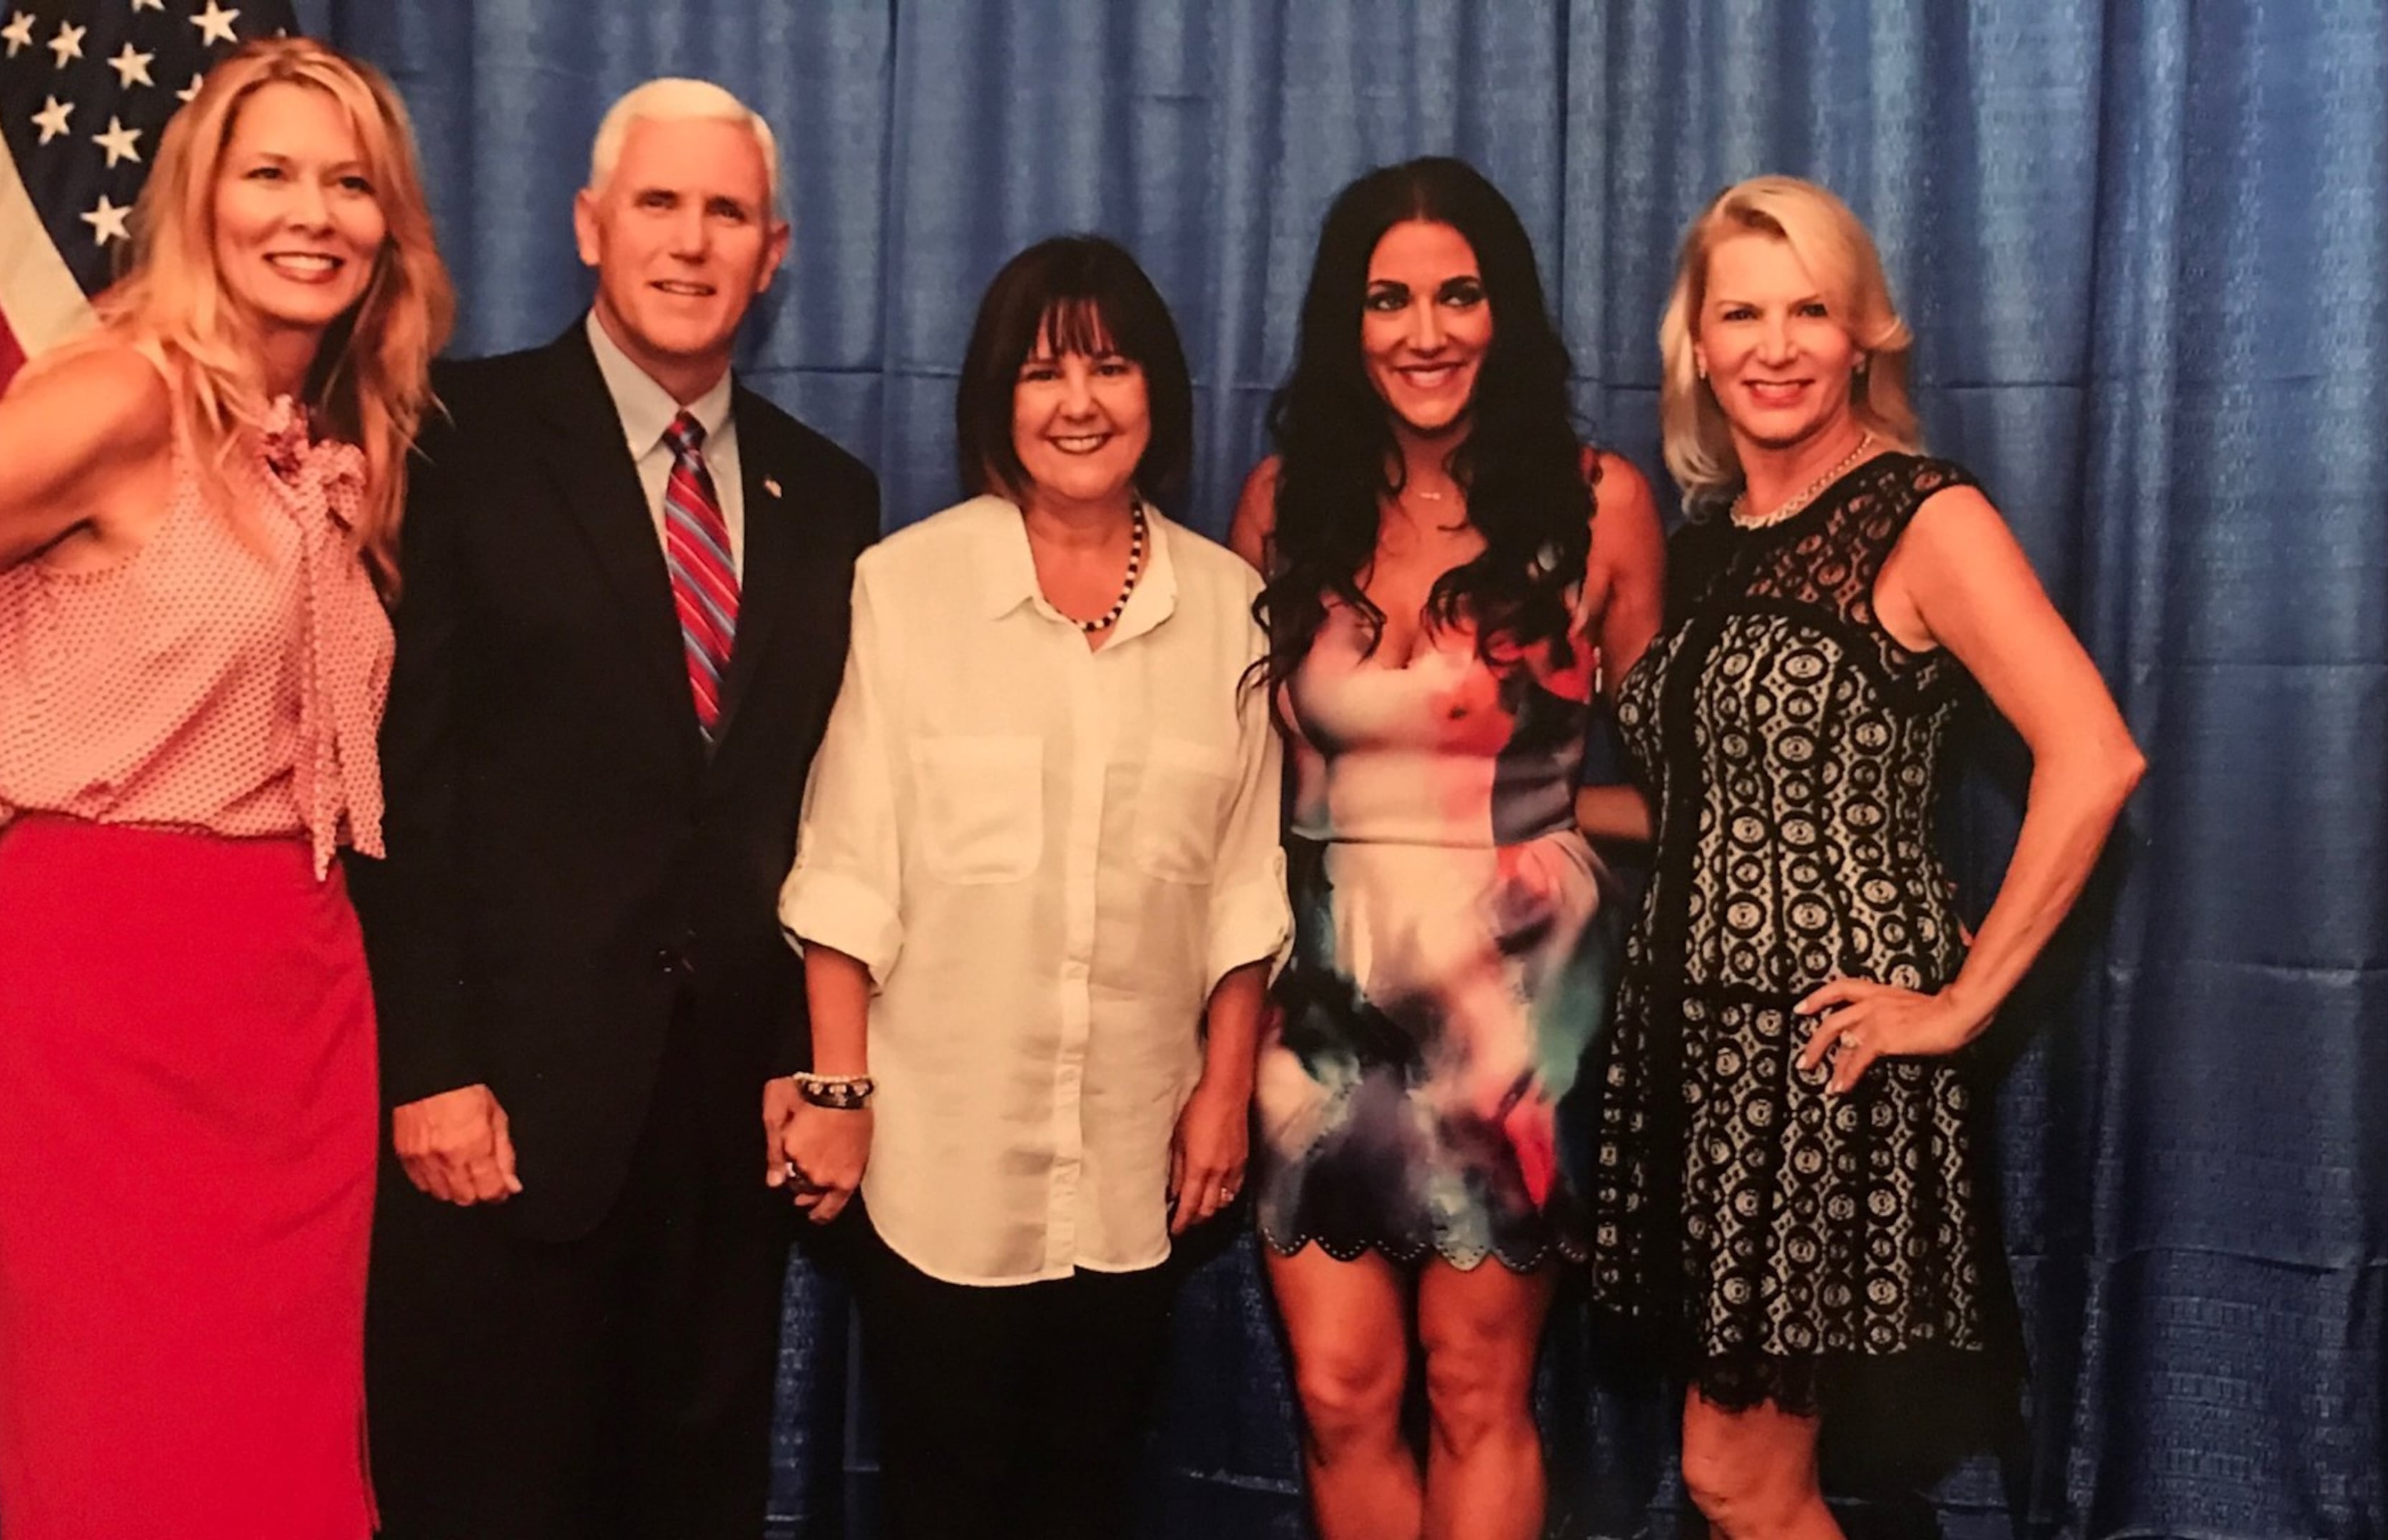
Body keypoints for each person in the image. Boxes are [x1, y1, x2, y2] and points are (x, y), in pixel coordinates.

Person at [0, 38, 449, 1538]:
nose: (311, 212)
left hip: (296, 982)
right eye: (270, 174)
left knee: (288, 1460)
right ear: (198, 200)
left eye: (349, 181)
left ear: (390, 224)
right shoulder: (120, 401)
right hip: (120, 976)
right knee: (138, 1449)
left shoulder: (322, 446)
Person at [354, 77, 881, 1539]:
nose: (692, 242)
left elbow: (824, 808)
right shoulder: (453, 436)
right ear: (590, 226)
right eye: (660, 203)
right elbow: (402, 779)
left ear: (774, 251)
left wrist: (807, 1062)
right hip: (503, 1120)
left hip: (723, 1134)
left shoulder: (831, 497)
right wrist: (431, 1069)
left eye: (728, 212)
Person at [1589, 175, 2145, 1538]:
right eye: (1742, 315)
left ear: (1860, 339)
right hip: (1695, 1057)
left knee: (1736, 1478)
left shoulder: (1919, 514)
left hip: (1821, 1067)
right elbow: (1712, 808)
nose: (1775, 347)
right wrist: (1508, 815)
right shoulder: (1712, 543)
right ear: (1698, 348)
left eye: (1811, 312)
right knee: (1743, 1478)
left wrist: (1958, 1001)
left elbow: (2096, 757)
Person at [775, 234, 1288, 1540]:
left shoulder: (1230, 611)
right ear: (996, 402)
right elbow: (848, 861)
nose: (1079, 405)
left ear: (1157, 396)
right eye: (1044, 373)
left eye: (1110, 370)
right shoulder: (908, 587)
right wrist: (837, 1094)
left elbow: (1242, 882)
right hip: (940, 1160)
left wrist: (1224, 1094)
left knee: (1085, 1494)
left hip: (1135, 1160)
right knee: (945, 1500)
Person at [1229, 155, 1666, 1539]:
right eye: (1390, 298)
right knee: (1343, 1386)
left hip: (1515, 1004)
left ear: (1507, 309)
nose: (1427, 330)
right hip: (1326, 999)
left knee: (1479, 1384)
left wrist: (1533, 831)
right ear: (1344, 325)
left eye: (1459, 294)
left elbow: (1671, 792)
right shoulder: (1283, 503)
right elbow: (1254, 792)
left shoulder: (1603, 504)